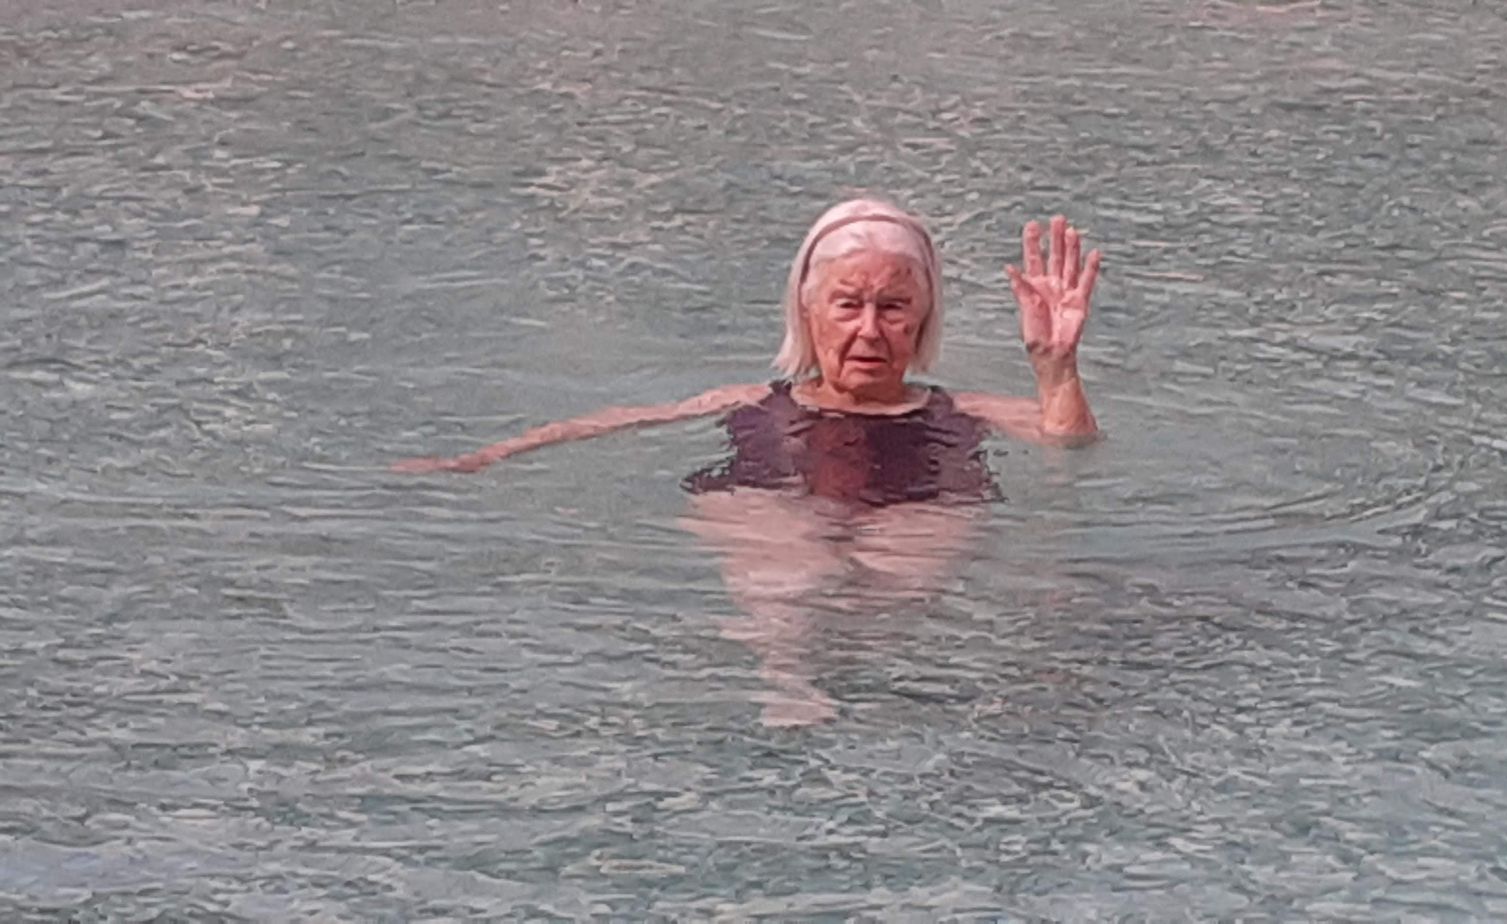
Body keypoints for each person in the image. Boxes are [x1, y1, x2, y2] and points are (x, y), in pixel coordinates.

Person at [394, 197, 1106, 725]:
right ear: (808, 311)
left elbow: (1070, 445)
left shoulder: (968, 409)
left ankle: (863, 682)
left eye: (893, 307)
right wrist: (484, 458)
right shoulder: (751, 400)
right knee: (794, 575)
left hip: (920, 504)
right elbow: (615, 422)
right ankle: (787, 675)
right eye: (848, 304)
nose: (869, 329)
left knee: (897, 583)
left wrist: (1056, 368)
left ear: (922, 319)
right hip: (770, 498)